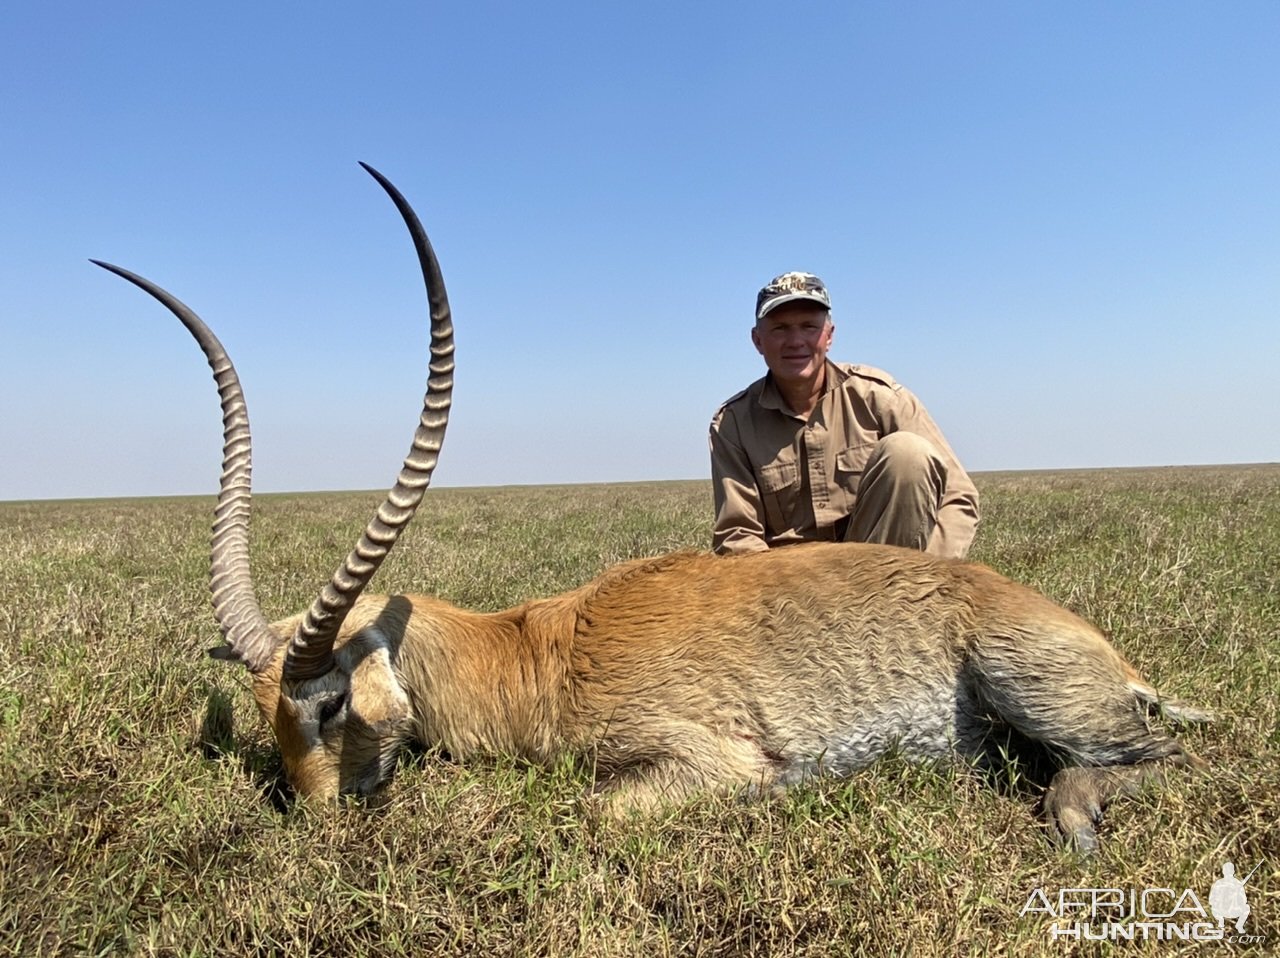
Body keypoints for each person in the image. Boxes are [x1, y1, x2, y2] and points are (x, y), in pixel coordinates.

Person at [709, 271, 979, 558]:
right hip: (792, 584)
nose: (796, 341)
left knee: (909, 453)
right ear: (758, 340)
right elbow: (738, 539)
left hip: (884, 573)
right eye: (780, 329)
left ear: (829, 336)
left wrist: (928, 574)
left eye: (809, 326)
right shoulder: (733, 423)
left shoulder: (879, 397)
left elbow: (958, 498)